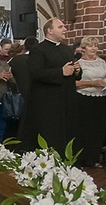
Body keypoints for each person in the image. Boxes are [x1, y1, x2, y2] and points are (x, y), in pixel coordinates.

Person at [19, 18, 81, 155]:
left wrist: (77, 71)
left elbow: (72, 72)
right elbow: (36, 73)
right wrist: (61, 72)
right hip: (47, 102)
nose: (65, 29)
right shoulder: (38, 50)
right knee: (50, 134)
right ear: (50, 30)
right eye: (61, 27)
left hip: (66, 100)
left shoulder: (66, 49)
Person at [72, 36, 106, 168]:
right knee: (84, 128)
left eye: (95, 46)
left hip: (100, 97)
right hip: (83, 98)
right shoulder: (78, 63)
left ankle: (93, 158)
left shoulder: (102, 62)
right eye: (90, 46)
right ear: (83, 48)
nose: (94, 48)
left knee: (98, 128)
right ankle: (80, 158)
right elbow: (73, 83)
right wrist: (92, 83)